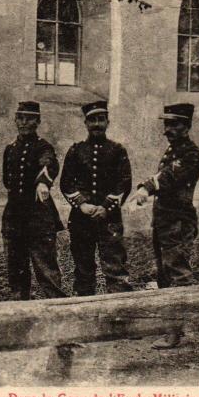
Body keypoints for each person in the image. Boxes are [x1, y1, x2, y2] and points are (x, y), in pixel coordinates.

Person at [134, 103, 199, 349]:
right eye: (166, 124)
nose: (168, 129)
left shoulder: (190, 154)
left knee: (178, 274)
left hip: (178, 222)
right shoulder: (173, 151)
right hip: (164, 221)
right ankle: (171, 328)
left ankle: (176, 331)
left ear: (187, 126)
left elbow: (168, 177)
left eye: (175, 124)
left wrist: (145, 188)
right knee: (165, 274)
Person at [60, 100, 132, 296]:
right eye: (92, 120)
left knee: (115, 269)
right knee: (83, 271)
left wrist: (105, 207)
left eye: (101, 119)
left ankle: (119, 316)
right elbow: (66, 182)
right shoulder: (76, 151)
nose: (97, 124)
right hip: (81, 220)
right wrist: (82, 205)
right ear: (85, 123)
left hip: (109, 220)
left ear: (108, 122)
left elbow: (124, 182)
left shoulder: (117, 150)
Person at [1, 101, 65, 301]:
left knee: (46, 269)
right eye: (19, 118)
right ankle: (20, 307)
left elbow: (49, 163)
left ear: (38, 121)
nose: (23, 123)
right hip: (14, 216)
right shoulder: (10, 149)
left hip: (39, 217)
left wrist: (43, 183)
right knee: (16, 269)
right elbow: (7, 181)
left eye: (29, 118)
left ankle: (56, 310)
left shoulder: (43, 146)